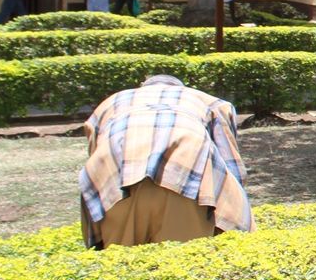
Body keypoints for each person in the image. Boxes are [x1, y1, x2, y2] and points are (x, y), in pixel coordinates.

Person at [79, 73, 252, 248]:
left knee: (121, 265)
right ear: (181, 88)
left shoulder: (110, 103)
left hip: (117, 186)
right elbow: (231, 167)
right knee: (185, 264)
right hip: (184, 180)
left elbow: (95, 153)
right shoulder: (209, 103)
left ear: (142, 87)